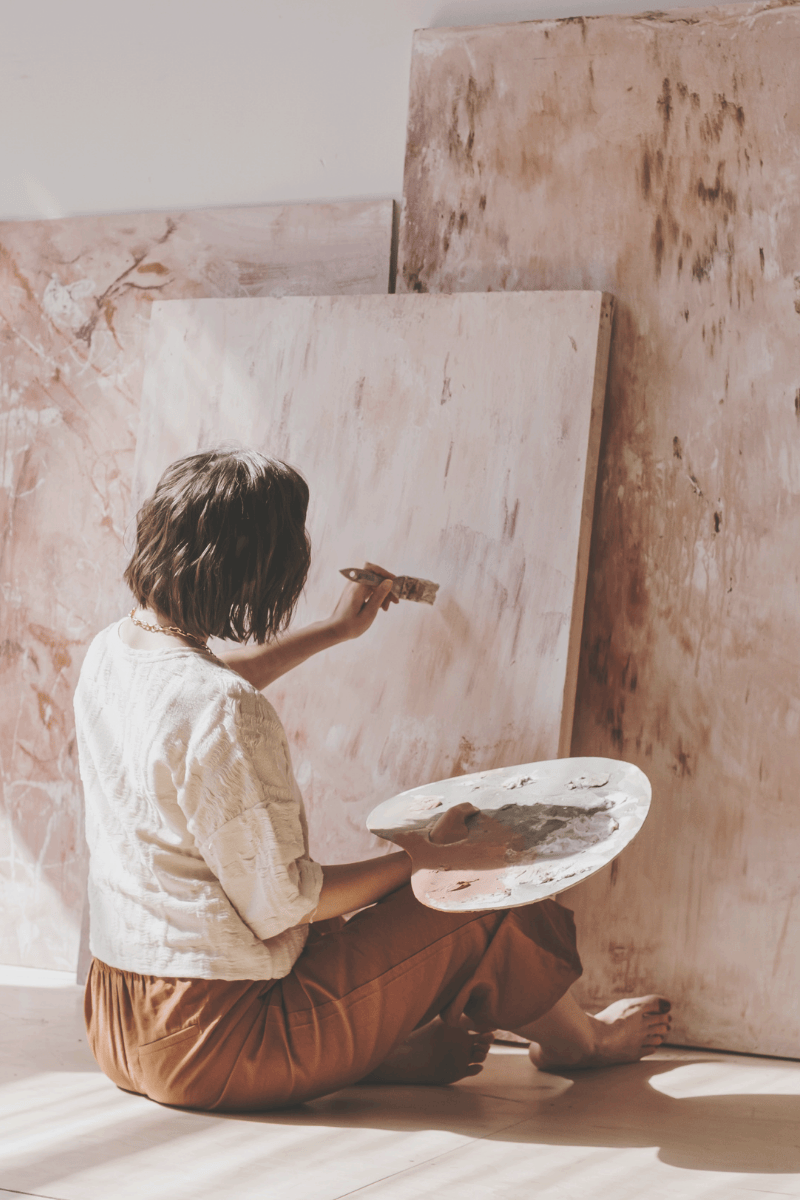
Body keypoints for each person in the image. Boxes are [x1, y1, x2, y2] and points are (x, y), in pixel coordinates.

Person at [75, 447, 671, 1113]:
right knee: (492, 894)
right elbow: (288, 902)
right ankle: (581, 1042)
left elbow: (195, 707)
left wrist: (334, 631)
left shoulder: (114, 650)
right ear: (255, 573)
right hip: (225, 1045)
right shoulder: (220, 711)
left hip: (121, 1022)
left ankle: (383, 1050)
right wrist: (428, 857)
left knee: (344, 921)